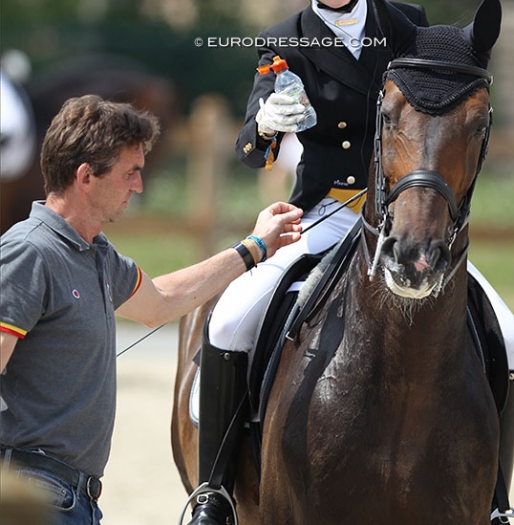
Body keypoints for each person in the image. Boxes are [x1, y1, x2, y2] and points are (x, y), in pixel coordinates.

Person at [186, 0, 514, 525]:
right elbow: (253, 151)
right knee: (227, 320)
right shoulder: (285, 39)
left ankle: (496, 499)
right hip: (324, 213)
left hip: (409, 211)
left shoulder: (409, 25)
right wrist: (269, 122)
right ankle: (216, 492)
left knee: (509, 332)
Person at [0, 94, 303, 525]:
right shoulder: (29, 253)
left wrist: (254, 248)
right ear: (86, 177)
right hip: (33, 493)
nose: (139, 186)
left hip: (74, 496)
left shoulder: (95, 254)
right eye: (130, 173)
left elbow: (161, 303)